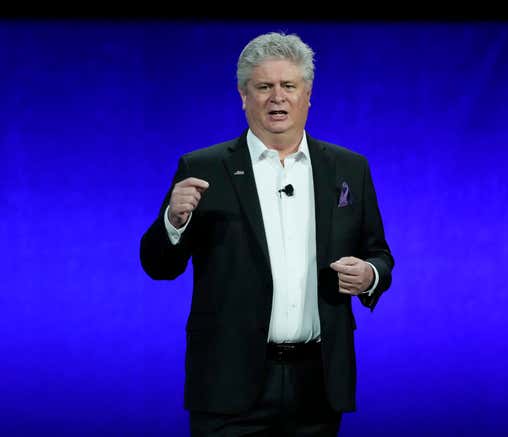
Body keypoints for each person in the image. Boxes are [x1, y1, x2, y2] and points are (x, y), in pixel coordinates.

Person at [139, 31, 394, 436]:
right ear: (244, 96)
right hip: (228, 387)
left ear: (307, 94)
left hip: (318, 385)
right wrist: (173, 220)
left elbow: (379, 253)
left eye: (288, 86)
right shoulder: (203, 167)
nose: (277, 97)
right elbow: (159, 265)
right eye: (264, 87)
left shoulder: (350, 169)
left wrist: (370, 276)